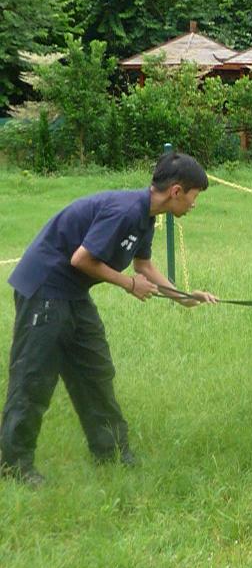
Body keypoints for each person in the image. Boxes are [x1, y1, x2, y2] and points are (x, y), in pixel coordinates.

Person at [0, 152, 218, 486]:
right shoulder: (125, 211)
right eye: (194, 196)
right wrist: (129, 285)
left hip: (73, 294)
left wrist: (184, 298)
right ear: (176, 191)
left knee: (95, 370)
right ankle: (14, 466)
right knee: (34, 377)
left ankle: (112, 452)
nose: (194, 204)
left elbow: (144, 266)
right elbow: (81, 259)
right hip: (45, 288)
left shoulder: (147, 216)